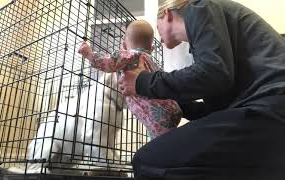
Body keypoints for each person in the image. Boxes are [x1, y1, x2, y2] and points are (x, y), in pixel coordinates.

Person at [118, 0, 285, 179]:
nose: (156, 37)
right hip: (267, 113)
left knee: (146, 161)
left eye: (156, 27)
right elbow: (216, 107)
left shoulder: (200, 6)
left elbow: (213, 74)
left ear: (166, 14)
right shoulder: (207, 37)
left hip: (270, 107)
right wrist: (173, 104)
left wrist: (143, 81)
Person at [78, 20, 182, 138]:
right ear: (150, 45)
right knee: (167, 138)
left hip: (156, 113)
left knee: (161, 143)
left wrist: (89, 54)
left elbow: (109, 62)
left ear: (126, 43)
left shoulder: (131, 55)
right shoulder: (148, 58)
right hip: (172, 106)